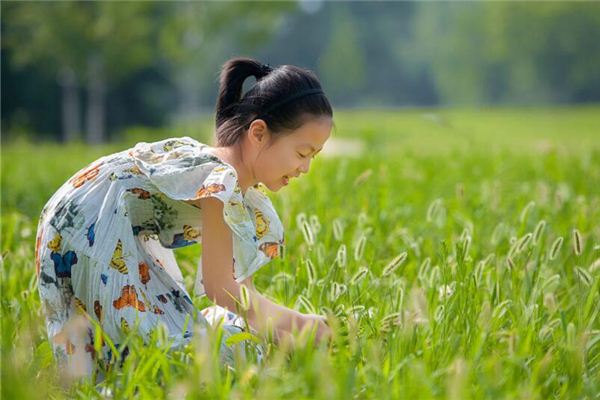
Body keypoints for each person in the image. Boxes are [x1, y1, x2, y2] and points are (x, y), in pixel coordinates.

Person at [35, 56, 333, 379]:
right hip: (89, 222)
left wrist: (284, 337)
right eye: (303, 154)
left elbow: (241, 295)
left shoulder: (236, 188)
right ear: (258, 133)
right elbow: (222, 289)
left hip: (101, 222)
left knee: (227, 345)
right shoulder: (220, 177)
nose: (305, 168)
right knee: (148, 355)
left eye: (313, 157)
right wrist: (301, 324)